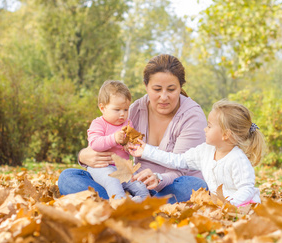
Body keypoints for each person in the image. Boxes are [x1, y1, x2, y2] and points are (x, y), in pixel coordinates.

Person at [58, 54, 208, 203]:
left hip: (171, 185)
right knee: (68, 177)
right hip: (134, 183)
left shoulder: (192, 116)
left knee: (194, 185)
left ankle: (122, 204)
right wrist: (83, 157)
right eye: (157, 89)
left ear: (180, 87)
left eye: (171, 89)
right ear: (146, 86)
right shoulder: (135, 109)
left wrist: (158, 178)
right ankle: (129, 204)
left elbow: (183, 167)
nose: (163, 97)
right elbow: (109, 140)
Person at [128, 100, 266, 207]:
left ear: (225, 134)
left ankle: (149, 204)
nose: (205, 129)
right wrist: (146, 151)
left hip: (243, 206)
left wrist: (227, 205)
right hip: (219, 207)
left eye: (210, 126)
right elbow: (177, 160)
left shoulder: (238, 159)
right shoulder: (205, 151)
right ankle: (144, 203)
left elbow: (246, 189)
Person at [86, 80, 149, 201]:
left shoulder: (128, 124)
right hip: (102, 167)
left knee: (139, 184)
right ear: (102, 108)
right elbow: (94, 144)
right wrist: (113, 138)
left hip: (123, 167)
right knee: (112, 181)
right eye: (117, 110)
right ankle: (120, 202)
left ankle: (142, 201)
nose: (122, 114)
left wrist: (129, 145)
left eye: (125, 110)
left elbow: (128, 148)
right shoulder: (98, 123)